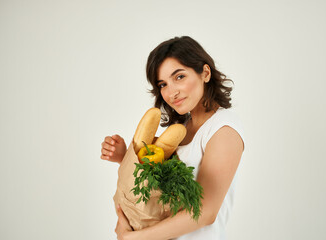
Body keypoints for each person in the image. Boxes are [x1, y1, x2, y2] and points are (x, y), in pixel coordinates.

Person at [100, 36, 245, 240]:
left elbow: (205, 213)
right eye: (163, 84)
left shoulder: (223, 128)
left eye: (179, 77)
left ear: (205, 73)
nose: (171, 92)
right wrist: (125, 158)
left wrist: (130, 238)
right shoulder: (181, 129)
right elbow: (159, 194)